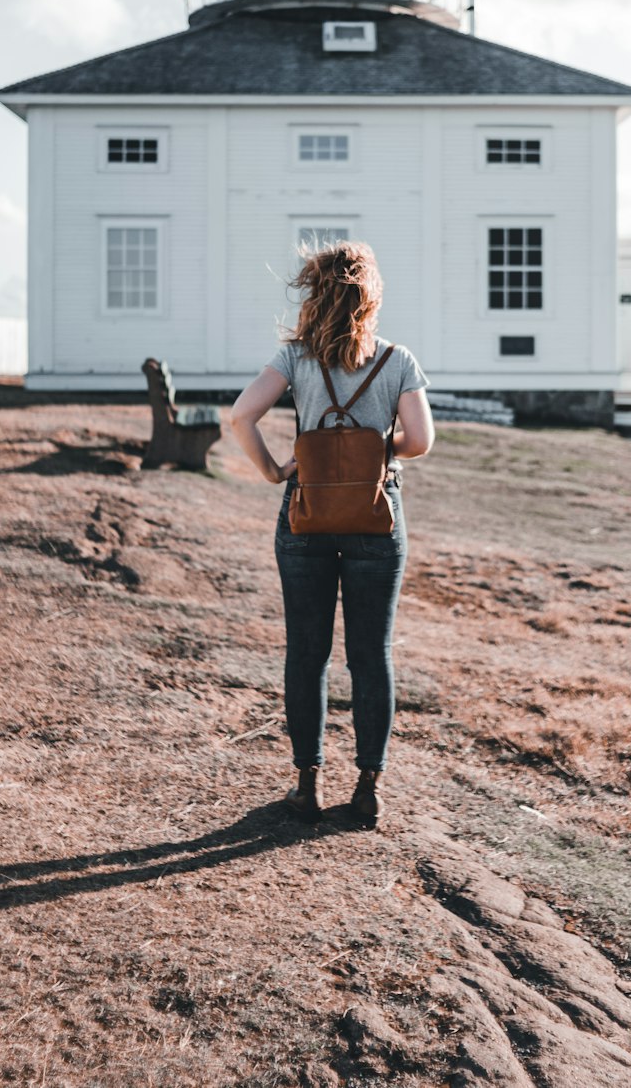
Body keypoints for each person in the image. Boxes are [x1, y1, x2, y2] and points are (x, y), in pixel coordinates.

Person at [229, 241, 435, 829]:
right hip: (375, 518)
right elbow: (419, 441)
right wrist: (373, 452)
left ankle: (306, 785)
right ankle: (368, 788)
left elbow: (241, 415)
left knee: (308, 653)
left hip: (306, 516)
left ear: (316, 293)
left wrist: (275, 471)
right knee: (371, 656)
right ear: (370, 297)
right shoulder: (397, 360)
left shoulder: (294, 358)